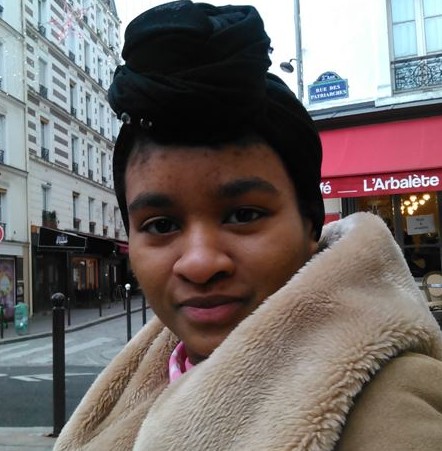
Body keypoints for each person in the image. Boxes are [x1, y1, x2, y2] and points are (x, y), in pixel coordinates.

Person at [54, 1, 442, 450]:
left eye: (243, 215)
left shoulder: (394, 413)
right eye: (161, 225)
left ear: (310, 223)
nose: (200, 263)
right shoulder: (159, 372)